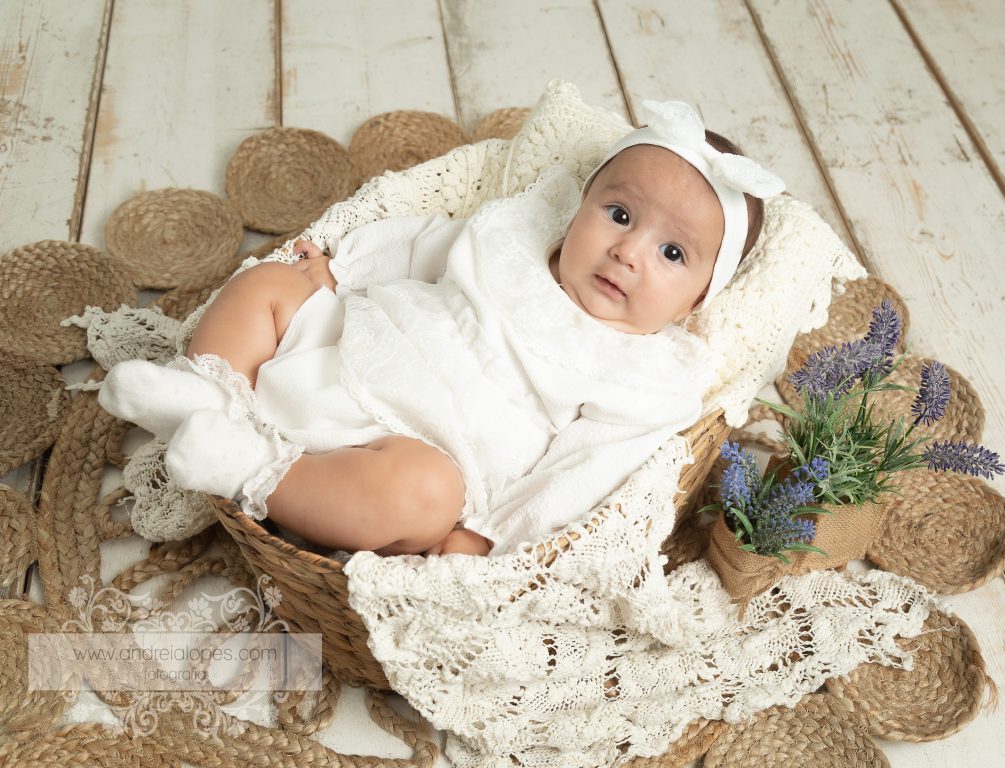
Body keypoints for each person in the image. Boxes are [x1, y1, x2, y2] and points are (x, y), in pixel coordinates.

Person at [98, 100, 783, 558]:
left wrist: (486, 535)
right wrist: (335, 275)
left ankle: (248, 467)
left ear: (697, 299)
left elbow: (579, 475)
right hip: (347, 347)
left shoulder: (648, 377)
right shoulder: (515, 239)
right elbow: (424, 244)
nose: (628, 252)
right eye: (620, 214)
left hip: (417, 453)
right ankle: (209, 396)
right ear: (581, 206)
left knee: (421, 497)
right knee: (268, 284)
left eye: (673, 254)